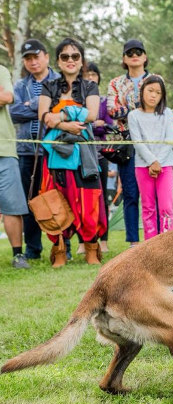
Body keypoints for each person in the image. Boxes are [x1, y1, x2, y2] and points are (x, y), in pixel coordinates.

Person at [38, 37, 107, 267]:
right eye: (65, 56)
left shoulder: (90, 86)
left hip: (83, 155)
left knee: (89, 201)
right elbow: (43, 116)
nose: (70, 60)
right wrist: (65, 125)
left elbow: (92, 114)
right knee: (56, 200)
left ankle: (91, 248)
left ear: (81, 61)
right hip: (57, 153)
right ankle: (59, 251)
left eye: (75, 56)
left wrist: (64, 114)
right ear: (58, 61)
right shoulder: (49, 85)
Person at [10, 39, 61, 260]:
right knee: (30, 200)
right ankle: (33, 249)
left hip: (54, 151)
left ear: (46, 57)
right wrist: (41, 108)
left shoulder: (59, 81)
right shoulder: (20, 85)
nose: (33, 62)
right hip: (26, 151)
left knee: (56, 198)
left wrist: (35, 107)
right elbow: (14, 113)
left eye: (36, 56)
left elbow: (60, 110)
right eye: (28, 58)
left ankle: (61, 245)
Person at [107, 39, 152, 248]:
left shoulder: (155, 79)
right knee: (130, 193)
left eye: (138, 51)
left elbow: (159, 108)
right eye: (130, 52)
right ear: (124, 58)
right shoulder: (115, 83)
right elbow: (112, 110)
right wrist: (140, 107)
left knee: (152, 195)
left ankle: (155, 240)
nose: (134, 55)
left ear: (144, 56)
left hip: (153, 143)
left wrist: (128, 108)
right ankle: (134, 242)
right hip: (126, 144)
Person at [128, 75, 173, 239]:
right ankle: (151, 243)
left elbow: (170, 140)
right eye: (150, 90)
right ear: (142, 92)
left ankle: (167, 241)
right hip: (142, 166)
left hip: (165, 166)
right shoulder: (134, 116)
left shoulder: (167, 113)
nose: (153, 95)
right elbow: (137, 142)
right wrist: (151, 162)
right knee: (148, 207)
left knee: (166, 207)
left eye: (158, 92)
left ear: (162, 96)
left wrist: (158, 163)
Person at [75, 62, 114, 254]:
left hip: (100, 155)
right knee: (82, 200)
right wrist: (93, 122)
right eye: (87, 75)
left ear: (99, 77)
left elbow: (105, 125)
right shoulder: (78, 100)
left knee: (102, 199)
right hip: (81, 155)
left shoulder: (105, 101)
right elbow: (85, 123)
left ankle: (103, 240)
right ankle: (83, 242)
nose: (91, 78)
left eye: (94, 74)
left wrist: (94, 123)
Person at [0, 64, 30, 269]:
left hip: (5, 149)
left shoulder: (1, 70)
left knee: (12, 205)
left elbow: (7, 97)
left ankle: (18, 255)